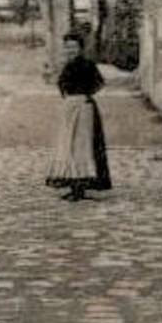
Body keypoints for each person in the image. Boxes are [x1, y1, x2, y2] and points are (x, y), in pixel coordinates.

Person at [43, 33, 111, 201]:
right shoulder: (67, 65)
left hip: (83, 108)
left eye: (73, 47)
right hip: (69, 108)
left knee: (82, 147)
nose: (70, 50)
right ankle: (73, 186)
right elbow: (61, 85)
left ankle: (80, 188)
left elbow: (99, 83)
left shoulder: (87, 64)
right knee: (68, 147)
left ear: (80, 48)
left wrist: (84, 95)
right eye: (67, 47)